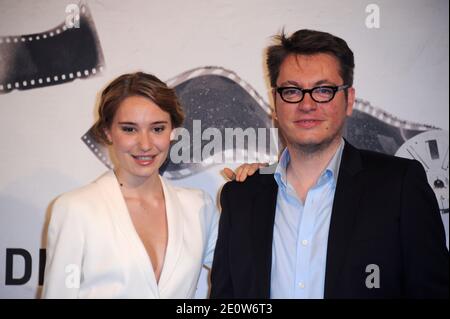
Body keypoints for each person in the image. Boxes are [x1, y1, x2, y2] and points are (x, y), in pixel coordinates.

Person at [210, 29, 449, 299]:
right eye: (292, 91)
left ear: (349, 100)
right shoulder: (241, 196)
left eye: (323, 90)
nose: (307, 104)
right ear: (275, 103)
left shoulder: (400, 185)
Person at [42, 72, 219, 298]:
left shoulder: (198, 208)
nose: (145, 144)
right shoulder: (75, 209)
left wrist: (260, 180)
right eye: (129, 129)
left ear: (172, 131)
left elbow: (246, 271)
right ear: (108, 132)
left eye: (157, 129)